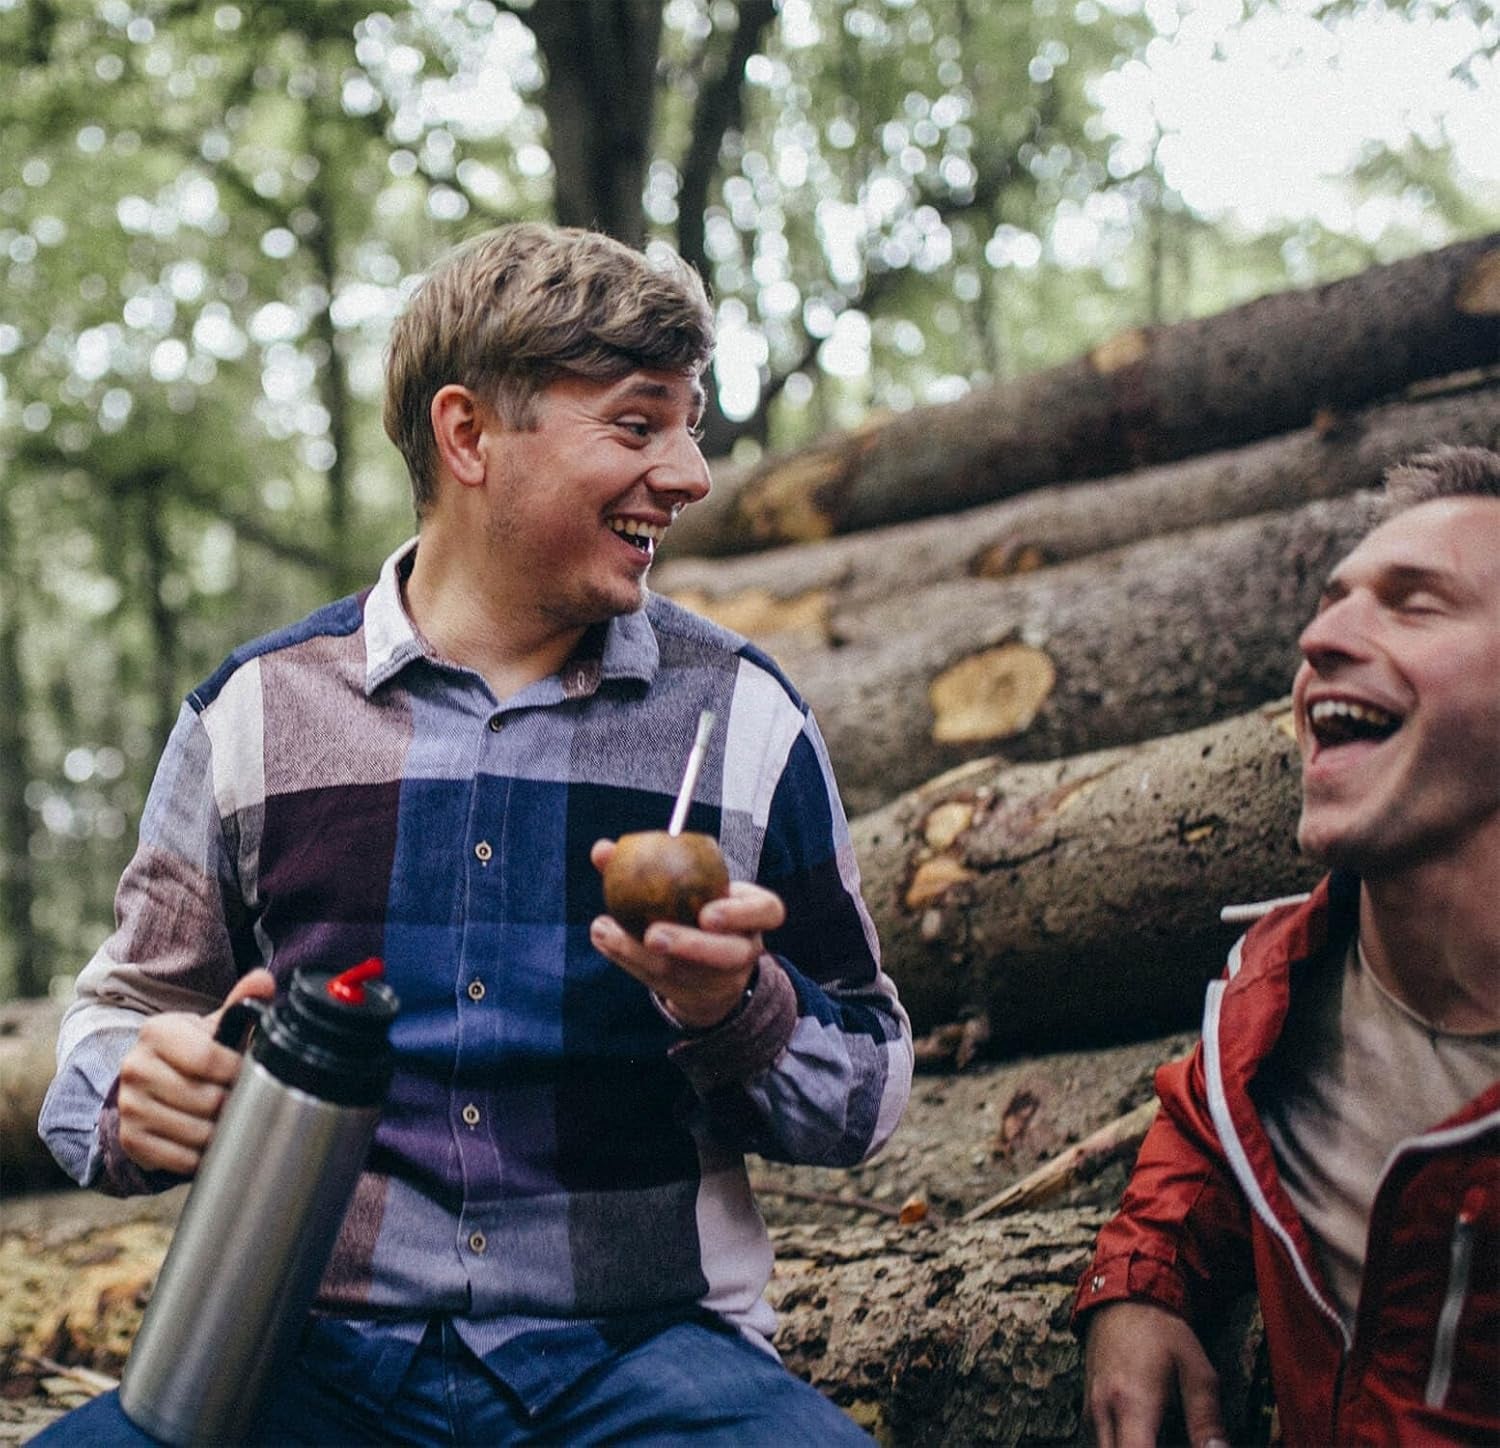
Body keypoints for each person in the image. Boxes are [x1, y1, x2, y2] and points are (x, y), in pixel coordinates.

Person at [37, 222, 912, 1445]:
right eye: (637, 424)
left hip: (645, 1358)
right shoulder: (258, 713)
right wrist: (130, 1084)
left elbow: (868, 1092)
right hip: (303, 1357)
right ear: (469, 437)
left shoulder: (741, 716)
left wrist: (738, 1008)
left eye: (692, 425)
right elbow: (120, 1015)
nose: (693, 472)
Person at [1074, 444, 1500, 1447]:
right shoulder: (1277, 998)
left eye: (1416, 601)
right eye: (1333, 600)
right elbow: (1207, 1119)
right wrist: (1140, 1278)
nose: (1320, 636)